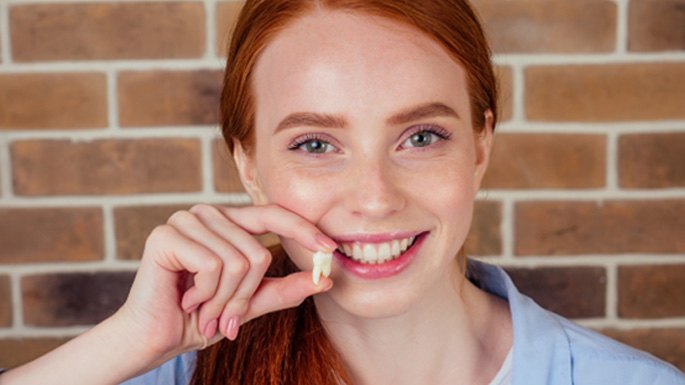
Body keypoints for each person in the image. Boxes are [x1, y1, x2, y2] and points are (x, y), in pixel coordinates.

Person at [1, 1, 684, 384]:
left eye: (420, 136)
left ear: (480, 146)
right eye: (315, 144)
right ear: (247, 163)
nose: (374, 198)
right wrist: (127, 341)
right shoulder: (175, 370)